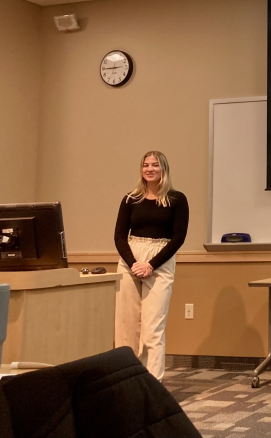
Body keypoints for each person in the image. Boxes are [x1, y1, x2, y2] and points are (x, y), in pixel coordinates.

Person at [114, 151, 189, 381]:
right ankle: (127, 380)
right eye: (145, 165)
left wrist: (150, 265)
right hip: (130, 261)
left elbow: (178, 238)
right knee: (126, 327)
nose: (149, 169)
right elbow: (119, 237)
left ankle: (152, 384)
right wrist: (134, 264)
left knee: (152, 329)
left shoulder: (177, 199)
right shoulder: (130, 199)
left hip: (160, 260)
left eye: (155, 165)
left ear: (163, 169)